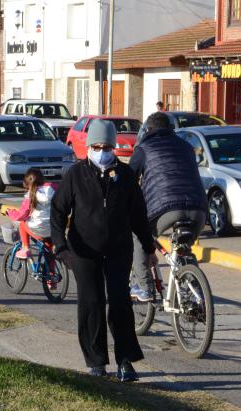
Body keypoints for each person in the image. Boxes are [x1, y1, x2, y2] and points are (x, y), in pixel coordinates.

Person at [50, 119, 156, 382]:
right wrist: (61, 247)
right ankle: (95, 360)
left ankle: (125, 360)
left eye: (106, 146)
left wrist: (149, 246)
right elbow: (58, 212)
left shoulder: (126, 176)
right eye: (96, 146)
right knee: (91, 303)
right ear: (88, 147)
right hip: (83, 252)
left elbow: (139, 215)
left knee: (120, 303)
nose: (101, 151)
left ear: (113, 147)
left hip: (119, 250)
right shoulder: (75, 175)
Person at [128, 112, 208, 301]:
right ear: (172, 129)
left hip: (166, 208)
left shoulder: (143, 148)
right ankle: (197, 295)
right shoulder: (187, 147)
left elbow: (128, 179)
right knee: (184, 248)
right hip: (199, 208)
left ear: (148, 129)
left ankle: (144, 287)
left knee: (137, 235)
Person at [5, 168, 57, 260]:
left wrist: (9, 212)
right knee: (48, 251)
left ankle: (25, 248)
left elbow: (21, 215)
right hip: (54, 229)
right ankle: (51, 273)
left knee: (22, 224)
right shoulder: (53, 188)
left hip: (39, 230)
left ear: (27, 184)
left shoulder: (30, 195)